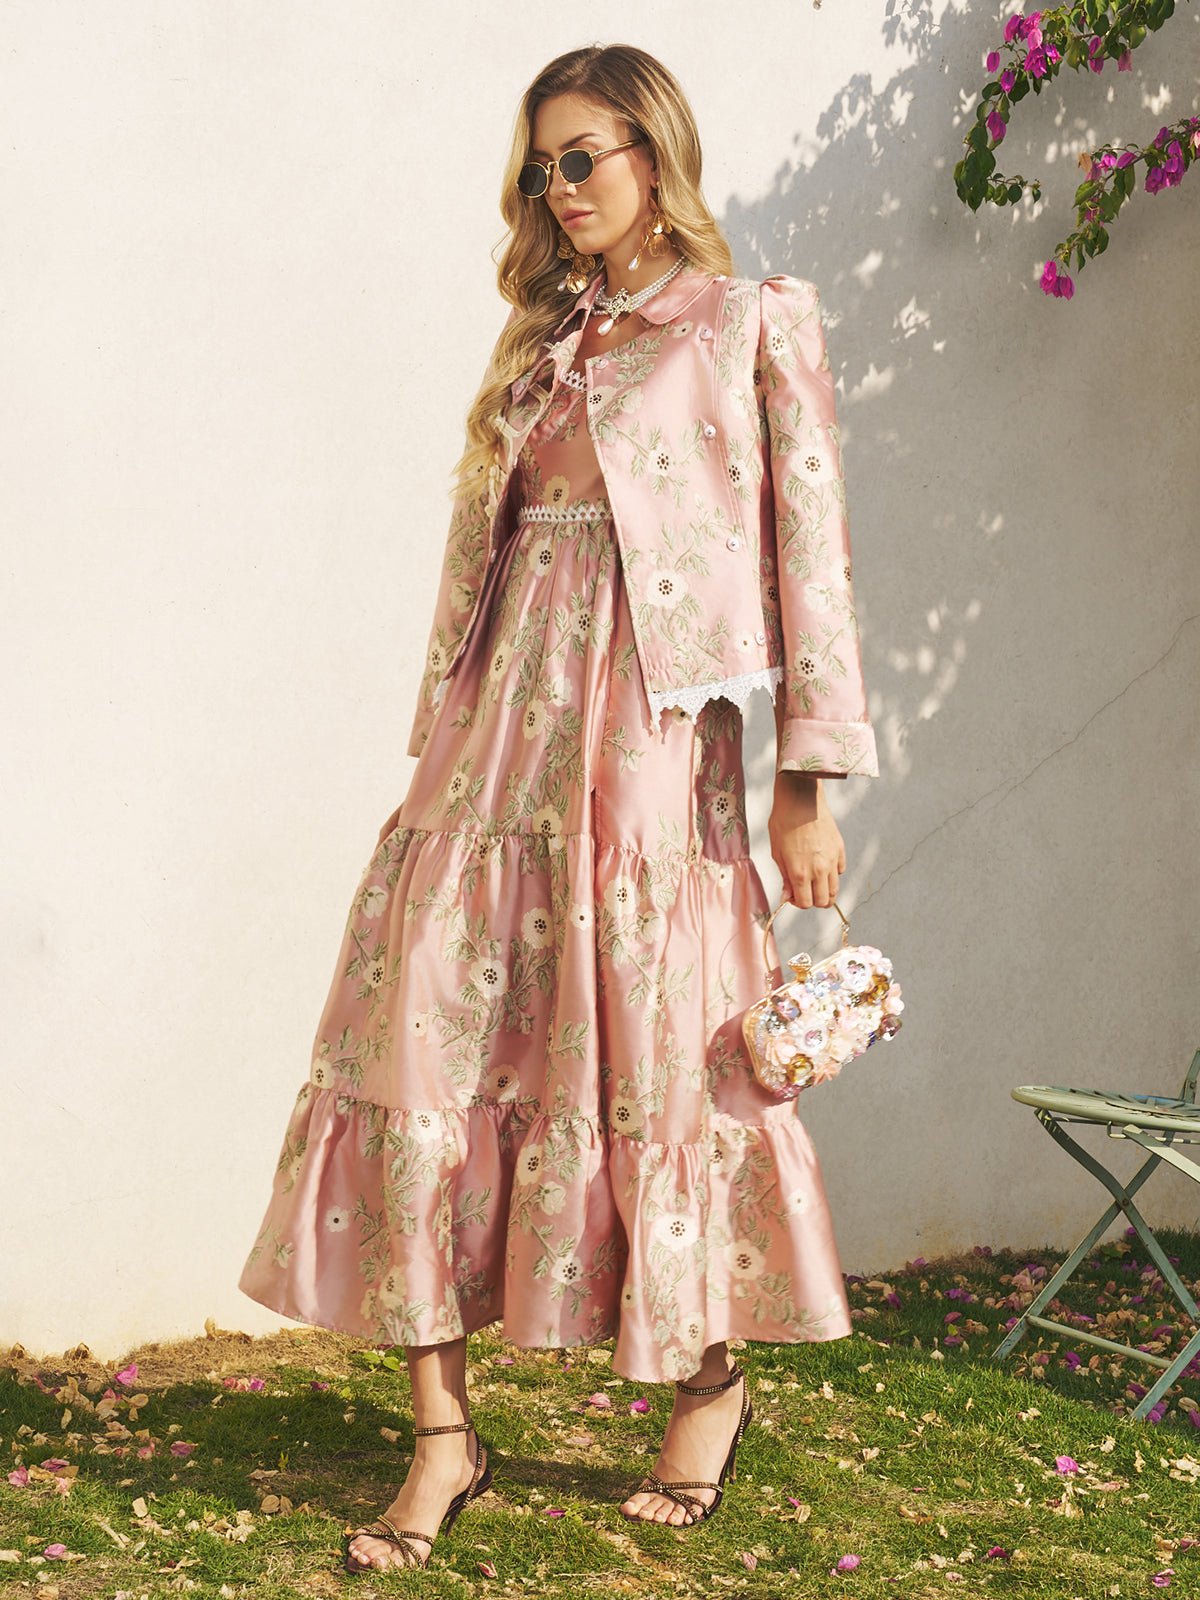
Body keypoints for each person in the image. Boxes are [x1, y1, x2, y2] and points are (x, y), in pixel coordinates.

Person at [238, 41, 879, 1575]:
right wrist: (439, 730)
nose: (563, 189)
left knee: (663, 1060)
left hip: (651, 748)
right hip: (496, 732)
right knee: (421, 1044)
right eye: (543, 167)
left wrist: (806, 782)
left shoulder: (748, 325)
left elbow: (815, 569)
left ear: (658, 153)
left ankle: (708, 1389)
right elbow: (502, 553)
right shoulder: (540, 337)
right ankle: (444, 1440)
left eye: (586, 156)